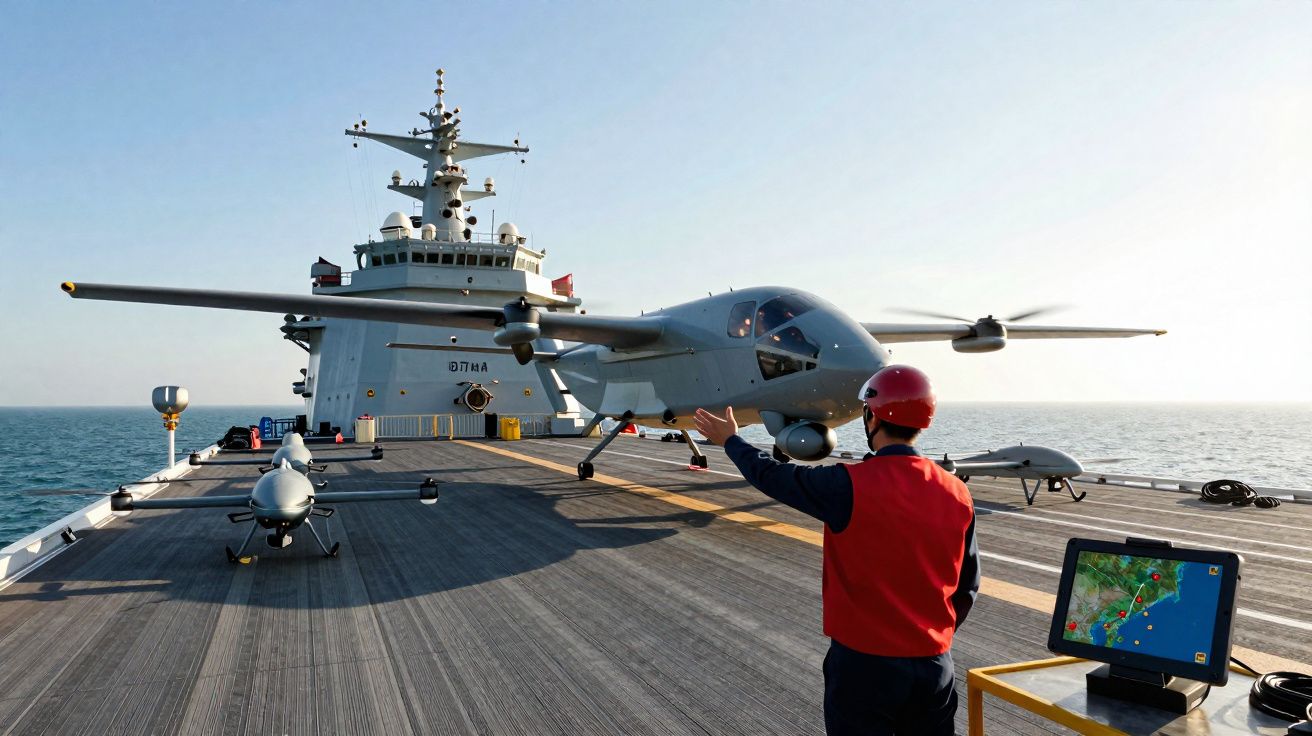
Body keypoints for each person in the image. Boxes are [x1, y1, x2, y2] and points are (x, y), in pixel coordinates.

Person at [693, 365, 979, 735]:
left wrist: (732, 440)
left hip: (864, 667)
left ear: (871, 417)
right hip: (935, 666)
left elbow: (773, 476)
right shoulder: (957, 492)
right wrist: (929, 637)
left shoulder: (846, 485)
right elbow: (968, 585)